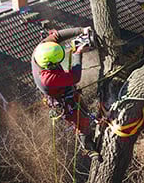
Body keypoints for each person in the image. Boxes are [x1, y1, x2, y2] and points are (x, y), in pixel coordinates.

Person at [31, 27, 98, 157]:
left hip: (64, 88)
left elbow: (57, 36)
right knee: (81, 121)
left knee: (84, 110)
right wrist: (78, 53)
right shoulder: (48, 79)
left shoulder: (41, 50)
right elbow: (75, 77)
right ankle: (88, 147)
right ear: (50, 64)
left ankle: (91, 122)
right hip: (61, 99)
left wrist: (81, 30)